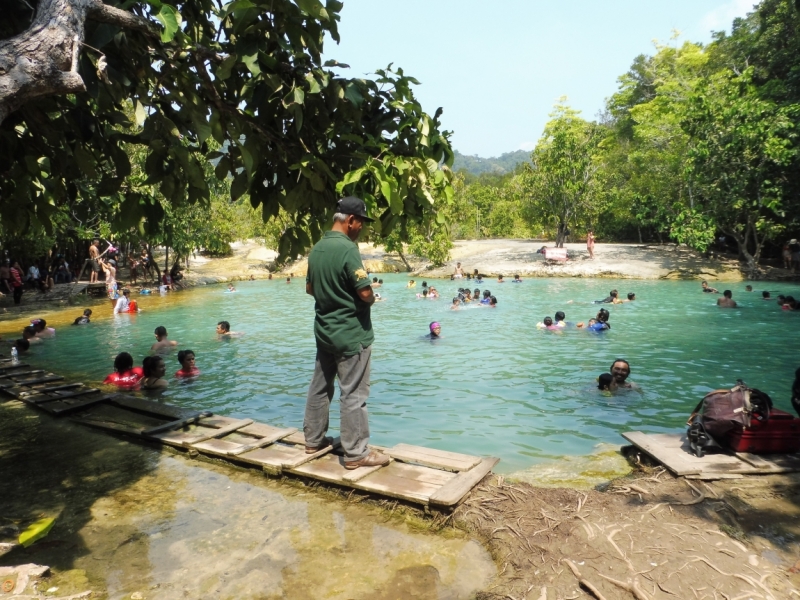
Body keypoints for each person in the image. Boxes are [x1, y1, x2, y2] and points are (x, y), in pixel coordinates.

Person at [304, 196, 388, 470]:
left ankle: (313, 440)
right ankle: (356, 454)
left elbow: (309, 289)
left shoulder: (317, 248)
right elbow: (364, 292)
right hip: (352, 335)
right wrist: (371, 298)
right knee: (353, 393)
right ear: (350, 220)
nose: (362, 227)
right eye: (361, 221)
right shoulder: (348, 249)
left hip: (325, 332)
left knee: (320, 387)